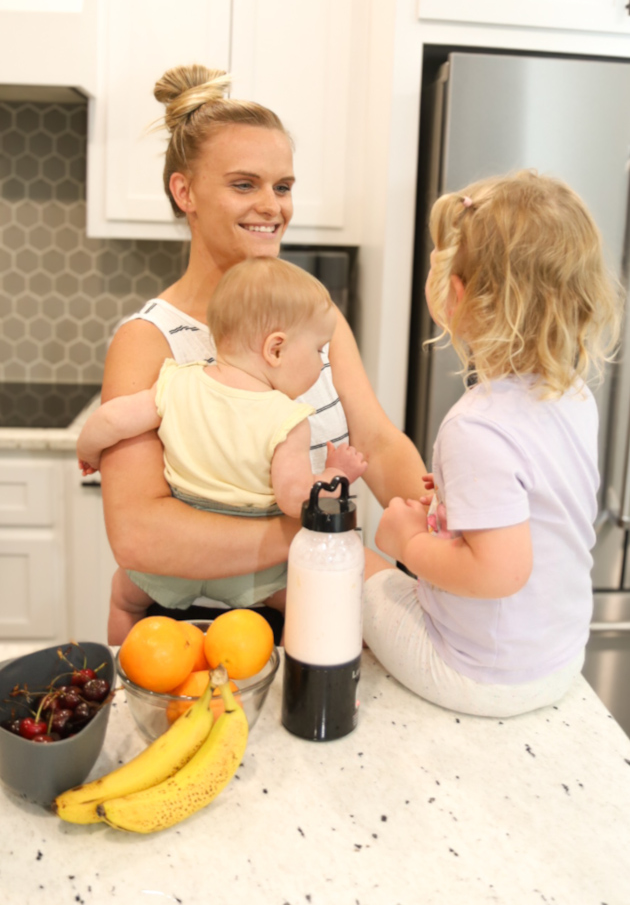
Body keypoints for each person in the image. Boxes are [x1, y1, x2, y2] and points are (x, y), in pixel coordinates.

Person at [98, 63, 428, 641]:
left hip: (313, 600)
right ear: (185, 191)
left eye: (283, 186)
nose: (272, 206)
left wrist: (443, 532)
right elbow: (139, 535)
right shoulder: (148, 341)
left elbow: (373, 439)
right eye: (244, 184)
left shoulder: (311, 313)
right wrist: (324, 529)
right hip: (192, 628)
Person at [363, 170, 623, 718]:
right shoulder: (573, 394)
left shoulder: (475, 426)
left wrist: (407, 540)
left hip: (481, 677)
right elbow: (539, 507)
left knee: (356, 569)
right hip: (558, 659)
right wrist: (456, 502)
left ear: (456, 293)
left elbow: (497, 574)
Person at [79, 258, 367, 641]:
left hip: (170, 567)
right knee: (305, 602)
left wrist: (89, 453)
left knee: (124, 599)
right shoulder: (288, 419)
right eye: (318, 351)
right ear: (276, 349)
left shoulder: (176, 384)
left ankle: (123, 674)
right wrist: (334, 476)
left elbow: (109, 421)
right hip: (252, 574)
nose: (321, 362)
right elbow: (294, 498)